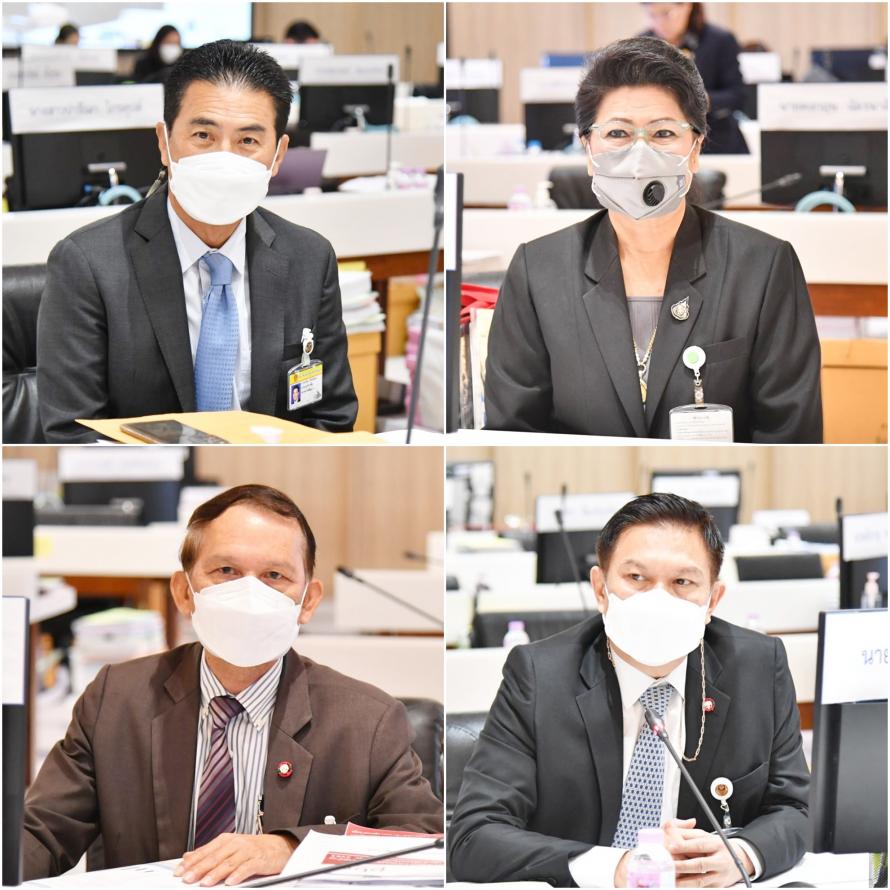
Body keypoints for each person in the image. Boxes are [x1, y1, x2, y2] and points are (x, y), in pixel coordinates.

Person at [23, 484, 442, 885]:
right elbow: (39, 833)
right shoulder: (116, 700)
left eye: (274, 575)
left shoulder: (368, 721)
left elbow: (423, 843)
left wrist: (292, 848)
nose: (249, 593)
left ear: (308, 602)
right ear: (184, 592)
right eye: (226, 571)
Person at [449, 492, 809, 887]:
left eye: (682, 582)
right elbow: (473, 837)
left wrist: (740, 854)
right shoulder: (539, 676)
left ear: (712, 600)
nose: (658, 600)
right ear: (600, 589)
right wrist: (618, 867)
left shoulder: (758, 668)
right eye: (636, 578)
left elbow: (794, 810)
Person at [483, 37, 822, 443]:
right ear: (588, 149)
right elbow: (514, 436)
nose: (640, 156)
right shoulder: (538, 271)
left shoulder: (763, 267)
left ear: (694, 149)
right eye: (617, 133)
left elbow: (790, 437)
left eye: (663, 133)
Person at [37, 40, 357, 443]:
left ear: (278, 155)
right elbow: (73, 433)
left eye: (248, 141)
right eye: (203, 135)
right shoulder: (88, 264)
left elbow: (331, 417)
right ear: (164, 142)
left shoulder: (309, 258)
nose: (224, 158)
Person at [641, 3, 749, 154]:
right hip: (662, 143)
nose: (660, 22)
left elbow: (738, 95)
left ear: (687, 6)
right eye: (652, 15)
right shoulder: (642, 44)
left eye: (666, 13)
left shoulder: (719, 40)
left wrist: (701, 100)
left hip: (716, 141)